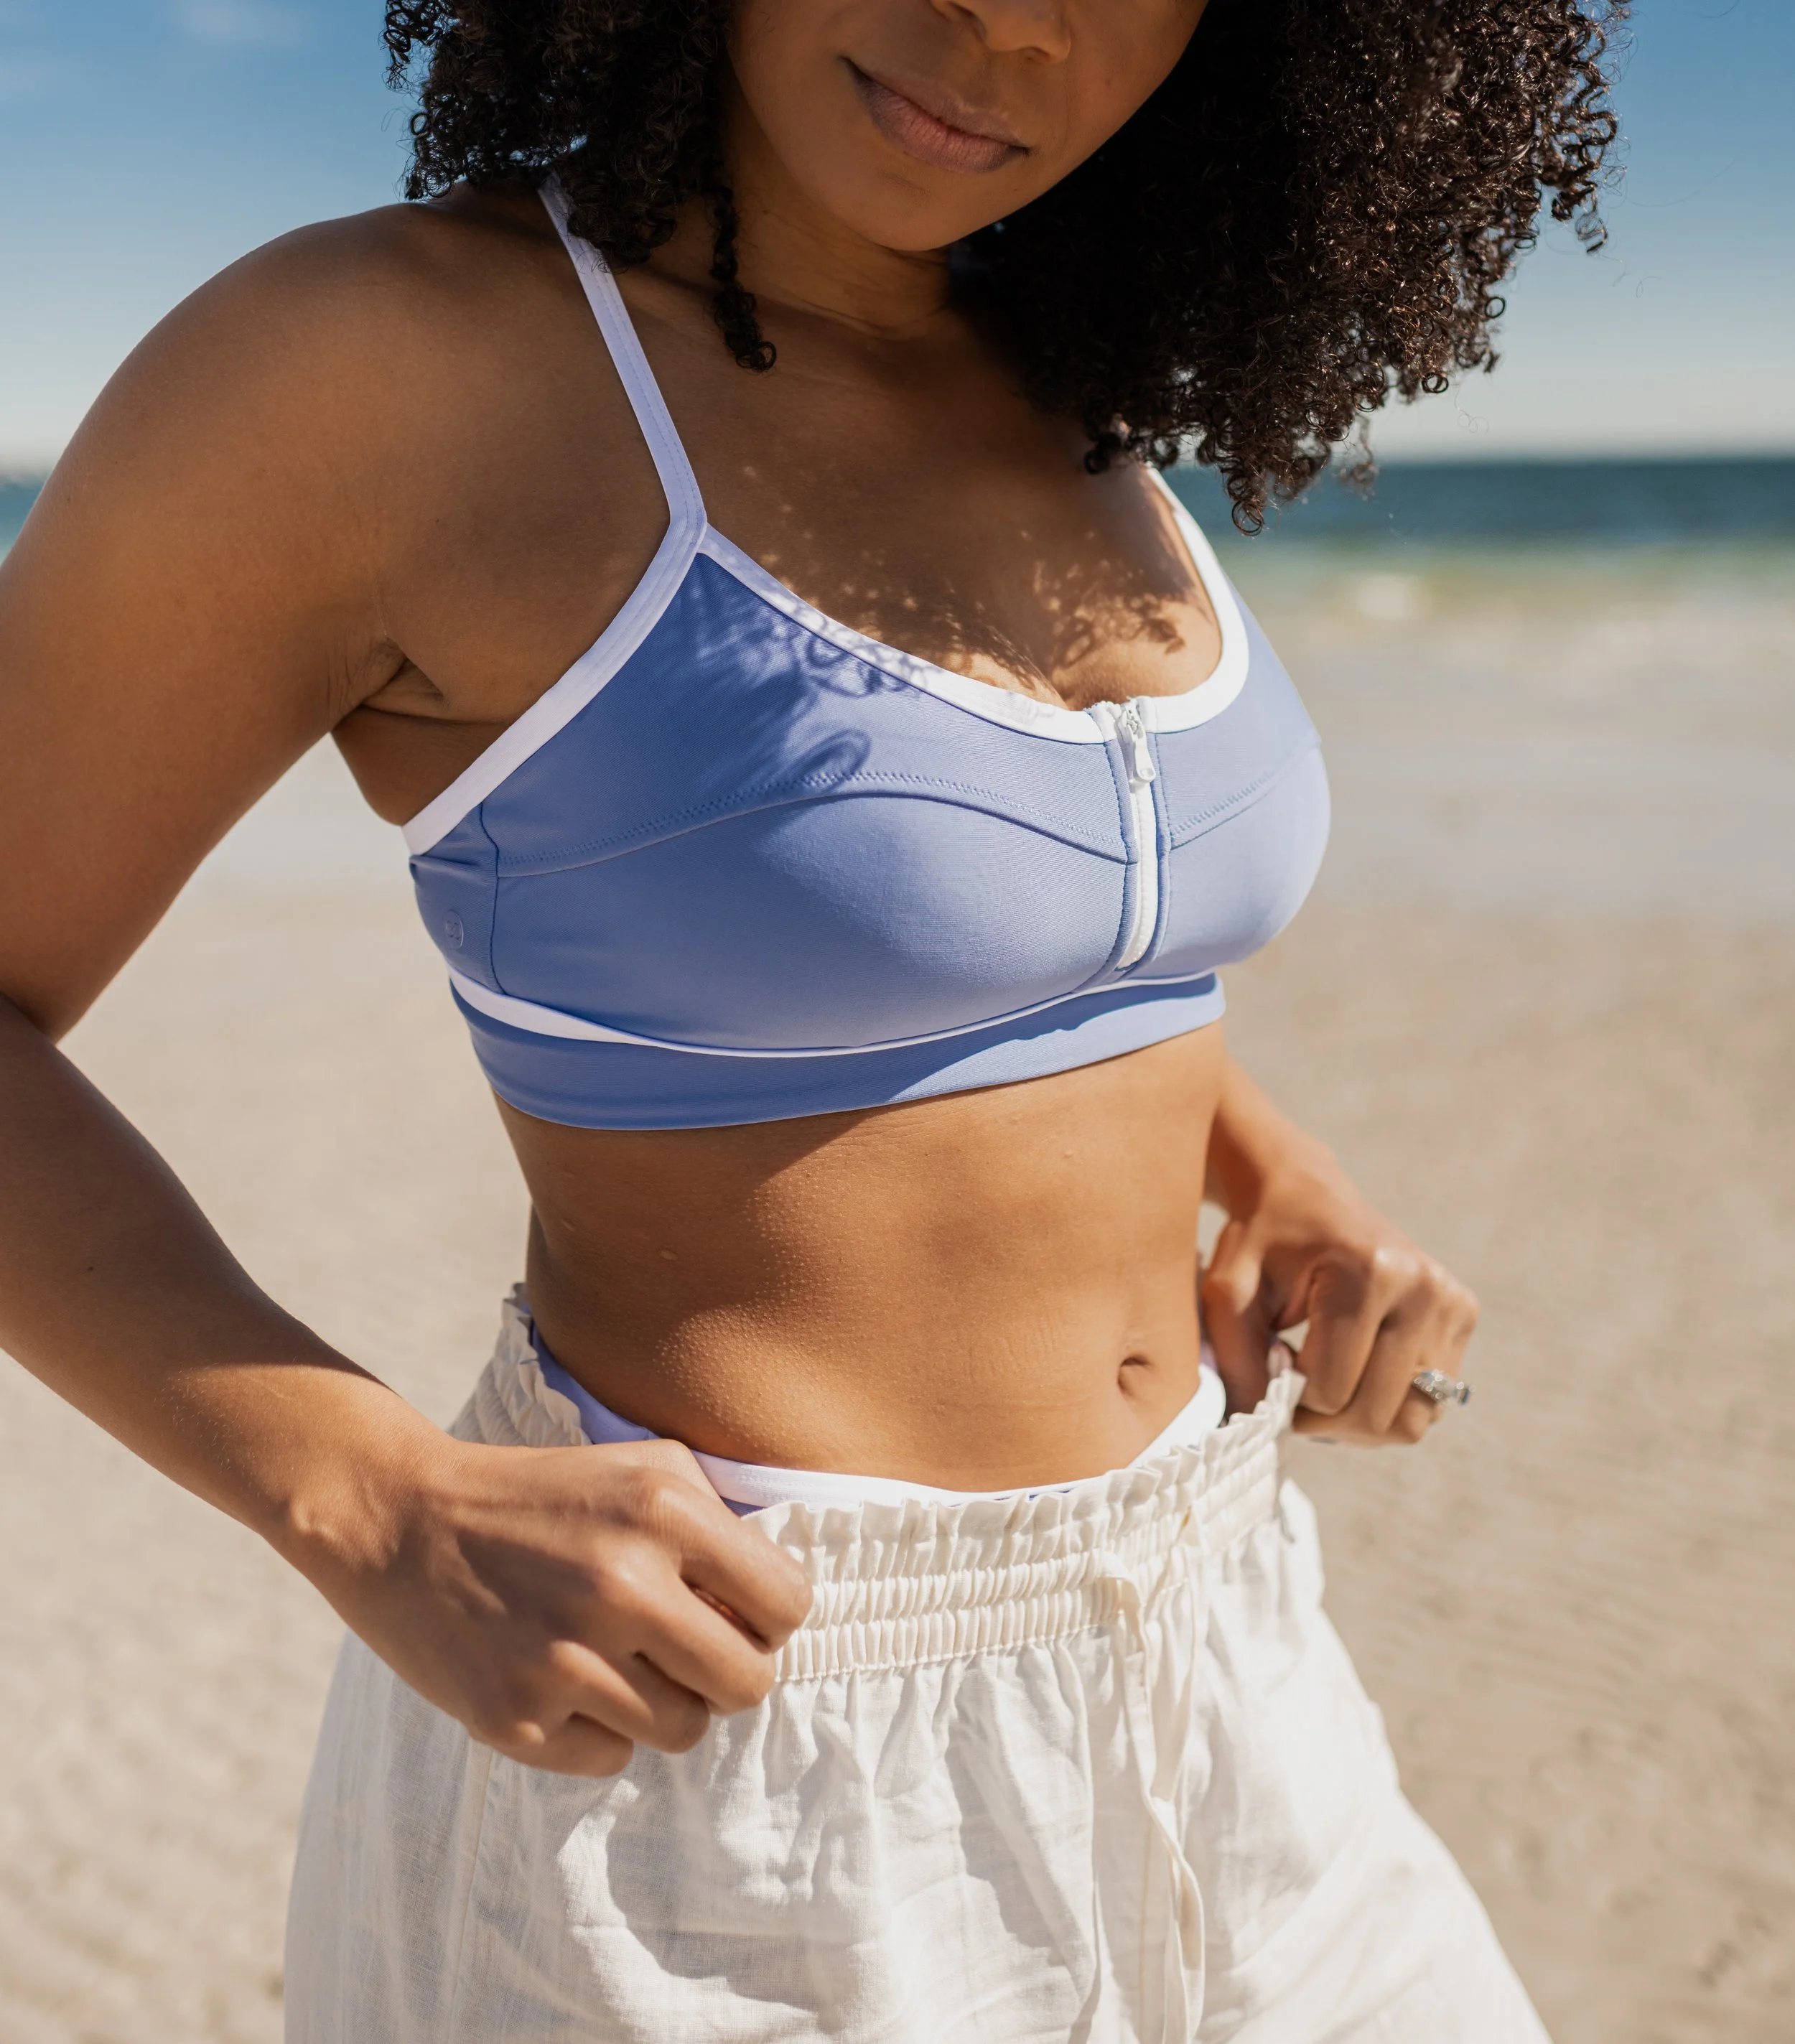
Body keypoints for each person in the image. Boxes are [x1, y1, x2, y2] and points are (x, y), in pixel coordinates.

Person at [0, 0, 1623, 2036]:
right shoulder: (384, 366)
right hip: (717, 1745)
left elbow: (1001, 953)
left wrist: (1276, 1175)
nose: (1009, 25)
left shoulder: (1062, 382)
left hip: (1225, 1651)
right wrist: (368, 1495)